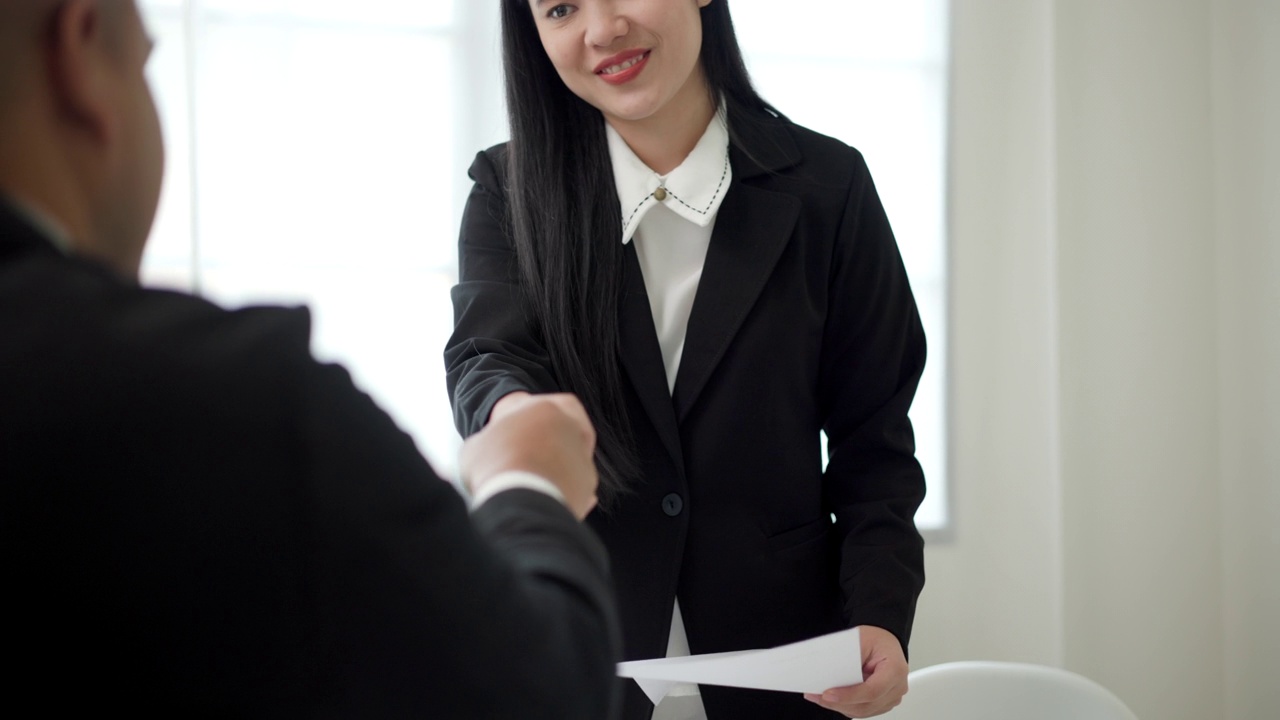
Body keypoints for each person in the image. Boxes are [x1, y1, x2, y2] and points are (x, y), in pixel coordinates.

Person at [0, 1, 620, 716]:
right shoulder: (231, 405)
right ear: (80, 48)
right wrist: (528, 484)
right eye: (145, 61)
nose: (602, 27)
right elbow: (535, 692)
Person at [445, 1, 927, 718]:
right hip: (579, 651)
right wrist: (521, 423)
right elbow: (488, 357)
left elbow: (875, 442)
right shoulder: (507, 193)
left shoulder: (830, 189)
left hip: (784, 665)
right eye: (560, 8)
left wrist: (882, 610)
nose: (602, 29)